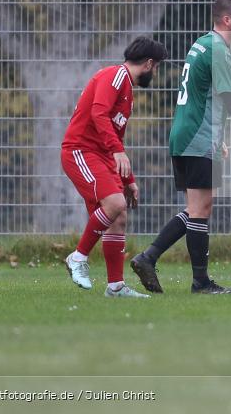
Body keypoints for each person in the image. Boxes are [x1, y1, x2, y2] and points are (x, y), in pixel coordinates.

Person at [131, 0, 231, 295]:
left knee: (199, 208)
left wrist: (218, 138)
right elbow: (230, 99)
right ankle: (199, 281)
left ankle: (150, 258)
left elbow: (203, 95)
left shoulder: (203, 43)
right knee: (200, 208)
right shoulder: (218, 49)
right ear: (226, 20)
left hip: (189, 133)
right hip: (197, 136)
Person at [62, 36, 168, 297]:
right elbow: (98, 113)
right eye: (157, 68)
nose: (156, 73)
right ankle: (78, 257)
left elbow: (115, 135)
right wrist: (117, 152)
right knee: (115, 205)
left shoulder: (127, 89)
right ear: (149, 64)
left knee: (119, 217)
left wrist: (129, 178)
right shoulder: (115, 76)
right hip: (81, 151)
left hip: (102, 155)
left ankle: (115, 286)